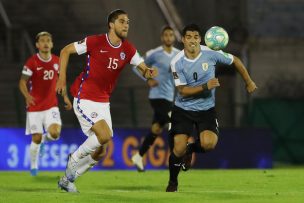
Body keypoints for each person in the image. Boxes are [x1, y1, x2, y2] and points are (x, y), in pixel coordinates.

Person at [56, 9, 158, 193]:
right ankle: (74, 158)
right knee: (104, 135)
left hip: (103, 101)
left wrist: (148, 72)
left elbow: (142, 67)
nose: (126, 24)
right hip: (84, 96)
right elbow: (65, 51)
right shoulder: (95, 41)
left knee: (101, 151)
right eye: (122, 21)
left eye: (128, 21)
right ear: (111, 24)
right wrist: (61, 77)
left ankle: (68, 179)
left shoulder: (128, 49)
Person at [166, 24, 257, 192]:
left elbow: (235, 60)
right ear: (183, 40)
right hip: (183, 109)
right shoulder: (176, 62)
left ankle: (191, 149)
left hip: (206, 110)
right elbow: (183, 91)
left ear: (200, 39)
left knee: (209, 144)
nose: (192, 40)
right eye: (189, 37)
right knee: (177, 148)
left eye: (195, 37)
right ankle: (173, 183)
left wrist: (249, 81)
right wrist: (205, 86)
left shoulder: (211, 53)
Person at [19, 31, 72, 176]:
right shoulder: (32, 62)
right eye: (42, 41)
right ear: (37, 45)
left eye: (48, 40)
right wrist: (27, 96)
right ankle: (34, 166)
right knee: (35, 138)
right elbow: (22, 82)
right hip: (35, 106)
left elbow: (61, 82)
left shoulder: (57, 61)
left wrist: (66, 97)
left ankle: (44, 138)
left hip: (51, 105)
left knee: (55, 133)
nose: (46, 43)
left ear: (52, 44)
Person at [131, 26, 180, 172]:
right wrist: (148, 80)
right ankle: (176, 159)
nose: (168, 37)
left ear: (174, 37)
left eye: (171, 35)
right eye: (166, 35)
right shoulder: (154, 54)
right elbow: (136, 67)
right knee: (174, 120)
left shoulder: (179, 55)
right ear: (162, 37)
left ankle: (138, 156)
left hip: (170, 96)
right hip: (157, 96)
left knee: (156, 129)